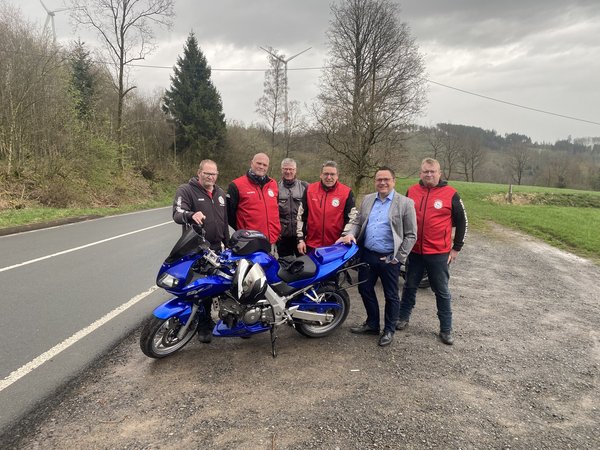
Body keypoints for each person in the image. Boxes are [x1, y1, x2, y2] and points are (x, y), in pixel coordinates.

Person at [338, 167, 417, 347]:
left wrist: (398, 257)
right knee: (364, 290)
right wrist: (351, 233)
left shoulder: (405, 203)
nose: (382, 182)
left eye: (386, 179)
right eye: (379, 179)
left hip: (389, 258)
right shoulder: (367, 199)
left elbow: (411, 235)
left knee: (391, 296)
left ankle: (389, 329)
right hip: (368, 255)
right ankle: (372, 324)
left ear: (393, 181)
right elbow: (358, 222)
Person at [397, 157, 468, 345]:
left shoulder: (451, 194)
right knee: (410, 286)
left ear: (439, 173)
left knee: (441, 291)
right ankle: (403, 318)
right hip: (415, 251)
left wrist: (456, 248)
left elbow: (462, 222)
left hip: (438, 253)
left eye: (432, 171)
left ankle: (446, 328)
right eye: (425, 171)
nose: (429, 174)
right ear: (420, 173)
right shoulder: (411, 191)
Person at [172, 159, 229, 343]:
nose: (210, 177)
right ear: (199, 173)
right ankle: (204, 324)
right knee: (201, 289)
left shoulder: (220, 193)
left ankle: (227, 318)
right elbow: (177, 214)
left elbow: (224, 222)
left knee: (222, 286)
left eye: (213, 174)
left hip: (217, 249)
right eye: (207, 173)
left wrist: (227, 245)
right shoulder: (186, 190)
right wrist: (190, 215)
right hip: (198, 250)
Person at [296, 161, 356, 254]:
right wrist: (300, 239)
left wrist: (344, 236)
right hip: (311, 245)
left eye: (332, 174)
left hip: (336, 246)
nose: (329, 177)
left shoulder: (346, 192)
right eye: (326, 174)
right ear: (321, 175)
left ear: (337, 175)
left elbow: (351, 219)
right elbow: (301, 216)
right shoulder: (309, 190)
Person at [227, 152, 280, 244]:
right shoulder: (236, 185)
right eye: (259, 163)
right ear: (251, 163)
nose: (261, 167)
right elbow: (230, 215)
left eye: (265, 165)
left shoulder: (273, 184)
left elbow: (275, 209)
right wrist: (243, 232)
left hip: (271, 240)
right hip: (249, 241)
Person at [277, 158, 308, 257]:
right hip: (283, 236)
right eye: (285, 169)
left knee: (304, 265)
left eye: (291, 169)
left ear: (295, 170)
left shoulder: (305, 187)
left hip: (301, 236)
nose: (288, 171)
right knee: (284, 266)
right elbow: (272, 213)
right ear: (281, 170)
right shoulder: (275, 188)